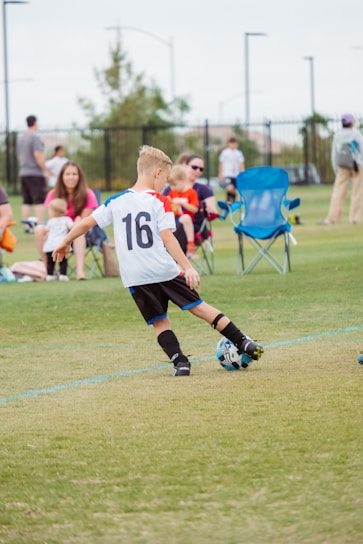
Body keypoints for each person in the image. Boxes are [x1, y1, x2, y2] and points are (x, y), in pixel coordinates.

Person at [52, 145, 264, 377]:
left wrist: (65, 241)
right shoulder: (159, 201)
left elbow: (84, 223)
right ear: (157, 173)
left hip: (134, 275)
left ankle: (180, 363)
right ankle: (243, 342)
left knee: (160, 322)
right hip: (162, 270)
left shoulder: (116, 201)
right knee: (199, 308)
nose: (165, 183)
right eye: (166, 177)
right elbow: (167, 237)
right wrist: (187, 266)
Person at [34, 161, 99, 280]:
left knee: (78, 231)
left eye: (74, 174)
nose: (71, 177)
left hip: (81, 233)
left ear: (79, 177)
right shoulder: (53, 194)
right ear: (62, 177)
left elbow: (85, 222)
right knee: (39, 229)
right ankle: (48, 269)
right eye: (67, 174)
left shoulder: (88, 194)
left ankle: (80, 272)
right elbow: (52, 219)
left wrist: (75, 225)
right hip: (58, 232)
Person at [165, 153, 219, 253]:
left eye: (201, 169)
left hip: (196, 227)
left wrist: (207, 210)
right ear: (184, 166)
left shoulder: (203, 190)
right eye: (194, 167)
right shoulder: (172, 188)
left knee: (180, 224)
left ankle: (178, 261)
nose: (198, 171)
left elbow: (212, 212)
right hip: (173, 223)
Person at [319, 113, 363, 225]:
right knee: (357, 192)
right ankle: (354, 219)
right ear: (352, 123)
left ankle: (333, 218)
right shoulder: (356, 134)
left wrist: (336, 169)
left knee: (338, 192)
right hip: (357, 165)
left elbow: (334, 154)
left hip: (342, 166)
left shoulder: (337, 135)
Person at [16, 115, 51, 226]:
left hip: (23, 172)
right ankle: (40, 223)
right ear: (35, 122)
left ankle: (27, 225)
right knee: (39, 200)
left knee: (26, 201)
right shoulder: (35, 137)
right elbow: (38, 155)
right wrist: (46, 169)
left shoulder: (21, 138)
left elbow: (19, 155)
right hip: (35, 173)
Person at [167, 165, 199, 258]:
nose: (172, 187)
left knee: (186, 218)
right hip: (174, 221)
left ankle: (190, 246)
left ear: (184, 180)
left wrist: (183, 203)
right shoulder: (172, 192)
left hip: (187, 222)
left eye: (175, 184)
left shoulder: (191, 193)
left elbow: (195, 209)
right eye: (170, 185)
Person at [42, 198, 73, 281]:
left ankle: (50, 275)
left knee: (50, 261)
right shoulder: (67, 220)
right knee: (63, 260)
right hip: (61, 243)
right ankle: (63, 274)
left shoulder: (50, 221)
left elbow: (45, 231)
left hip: (50, 243)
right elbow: (72, 228)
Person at [218, 137, 245, 202]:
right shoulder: (225, 152)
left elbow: (241, 163)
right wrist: (220, 173)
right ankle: (229, 201)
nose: (233, 145)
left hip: (236, 174)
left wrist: (242, 172)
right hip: (227, 173)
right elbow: (221, 163)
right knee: (229, 188)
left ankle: (232, 200)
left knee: (233, 189)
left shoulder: (239, 153)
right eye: (231, 143)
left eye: (234, 143)